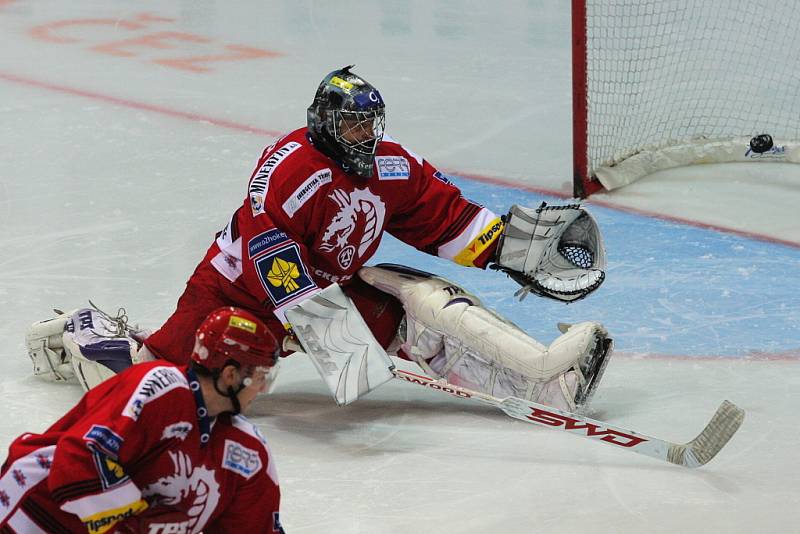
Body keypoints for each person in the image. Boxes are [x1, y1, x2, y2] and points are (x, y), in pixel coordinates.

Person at [29, 65, 611, 413]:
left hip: (323, 289)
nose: (363, 133)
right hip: (235, 297)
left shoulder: (392, 165)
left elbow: (444, 219)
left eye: (369, 123)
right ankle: (88, 332)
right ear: (324, 122)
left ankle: (542, 388)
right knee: (159, 387)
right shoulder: (290, 169)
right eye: (351, 123)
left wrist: (507, 247)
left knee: (420, 316)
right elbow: (274, 264)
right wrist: (339, 346)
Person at [4, 307, 285, 533]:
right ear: (230, 375)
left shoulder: (248, 452)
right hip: (33, 511)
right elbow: (82, 457)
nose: (262, 389)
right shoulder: (161, 388)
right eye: (261, 377)